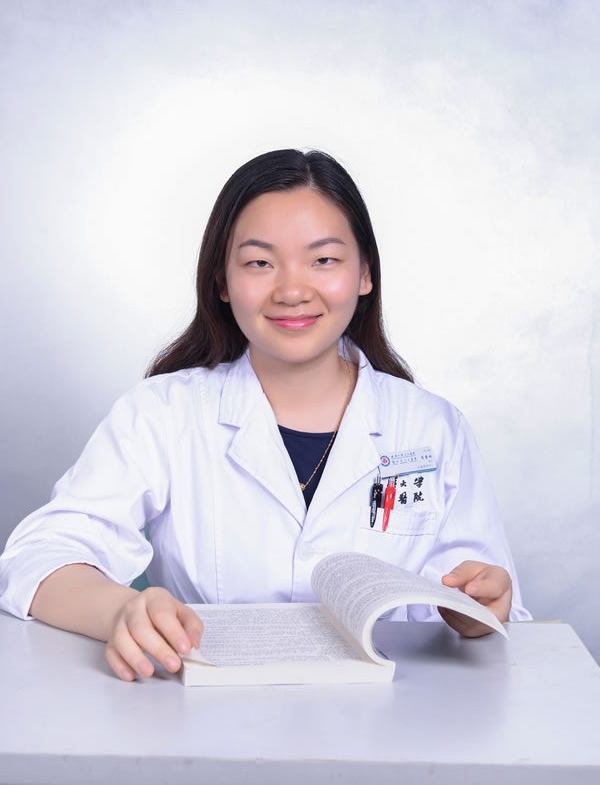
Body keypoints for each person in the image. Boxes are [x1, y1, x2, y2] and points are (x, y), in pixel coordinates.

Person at [0, 148, 530, 681]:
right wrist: (121, 611)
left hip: (392, 714)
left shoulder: (433, 427)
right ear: (222, 281)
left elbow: (482, 599)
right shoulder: (162, 414)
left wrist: (481, 610)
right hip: (202, 707)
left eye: (324, 260)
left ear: (365, 274)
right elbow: (38, 557)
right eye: (259, 263)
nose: (292, 291)